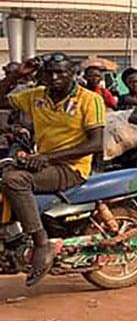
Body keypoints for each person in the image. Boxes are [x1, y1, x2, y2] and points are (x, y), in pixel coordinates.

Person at [0, 53, 106, 285]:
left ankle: (41, 242)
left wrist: (46, 157)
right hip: (43, 163)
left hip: (71, 168)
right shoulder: (36, 96)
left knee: (15, 181)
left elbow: (96, 143)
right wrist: (17, 74)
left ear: (73, 74)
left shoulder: (89, 99)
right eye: (50, 73)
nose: (55, 77)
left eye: (61, 72)